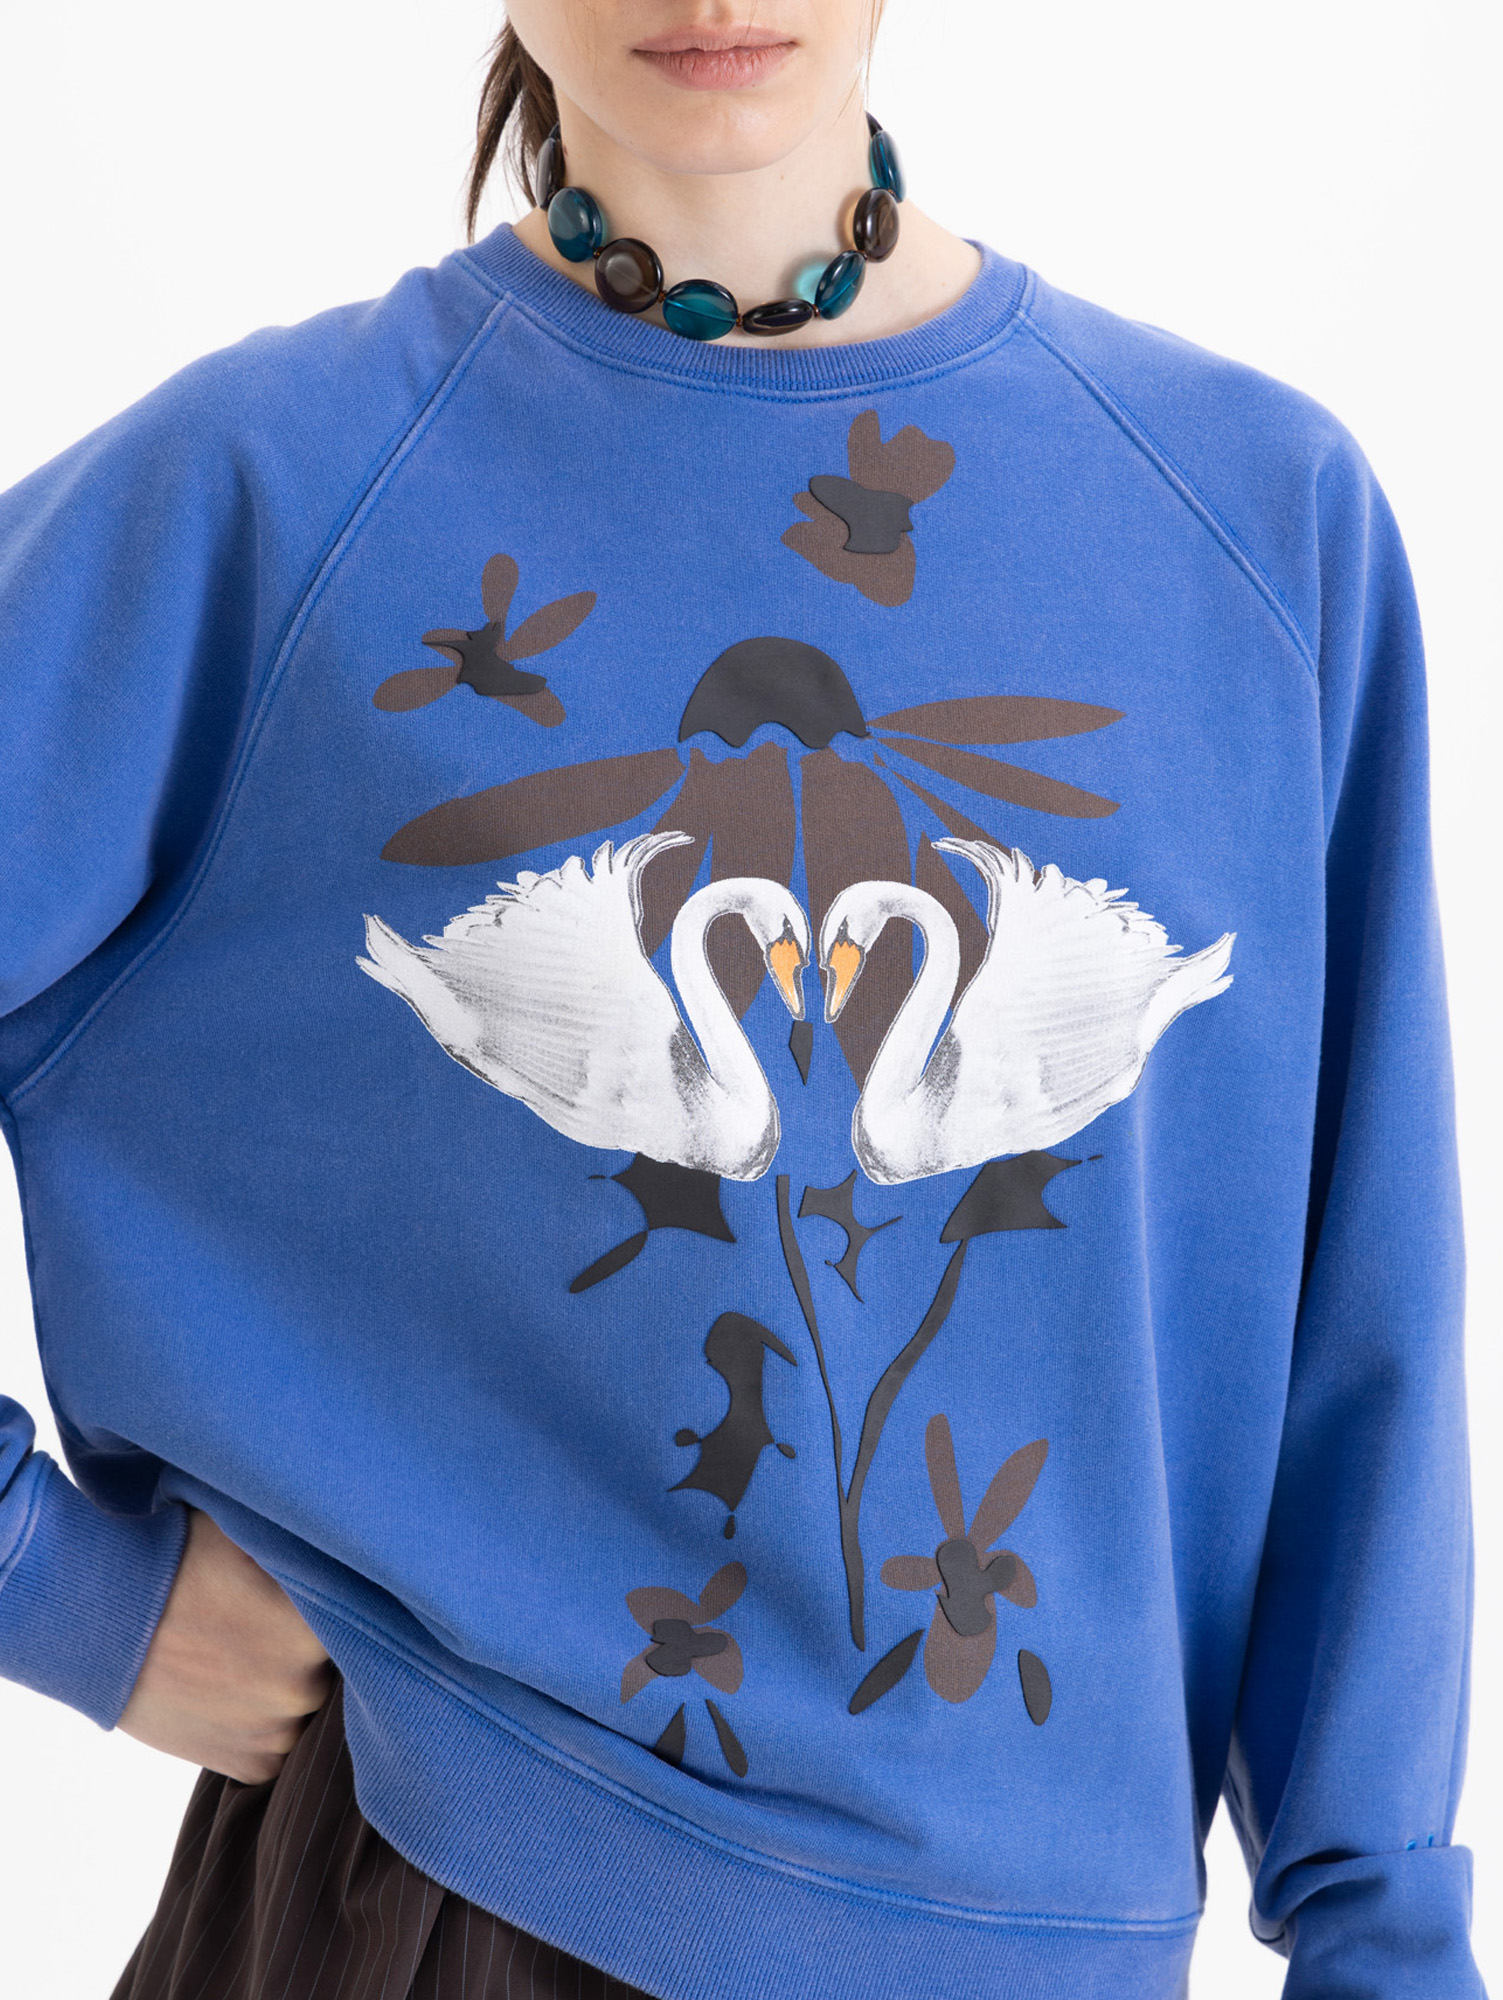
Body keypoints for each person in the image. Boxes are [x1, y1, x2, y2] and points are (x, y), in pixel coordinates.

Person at [0, 3, 1484, 1996]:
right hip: (452, 1893)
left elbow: (1359, 1309)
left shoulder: (1254, 524)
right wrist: (63, 1592)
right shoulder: (271, 499)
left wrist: (1383, 1928)